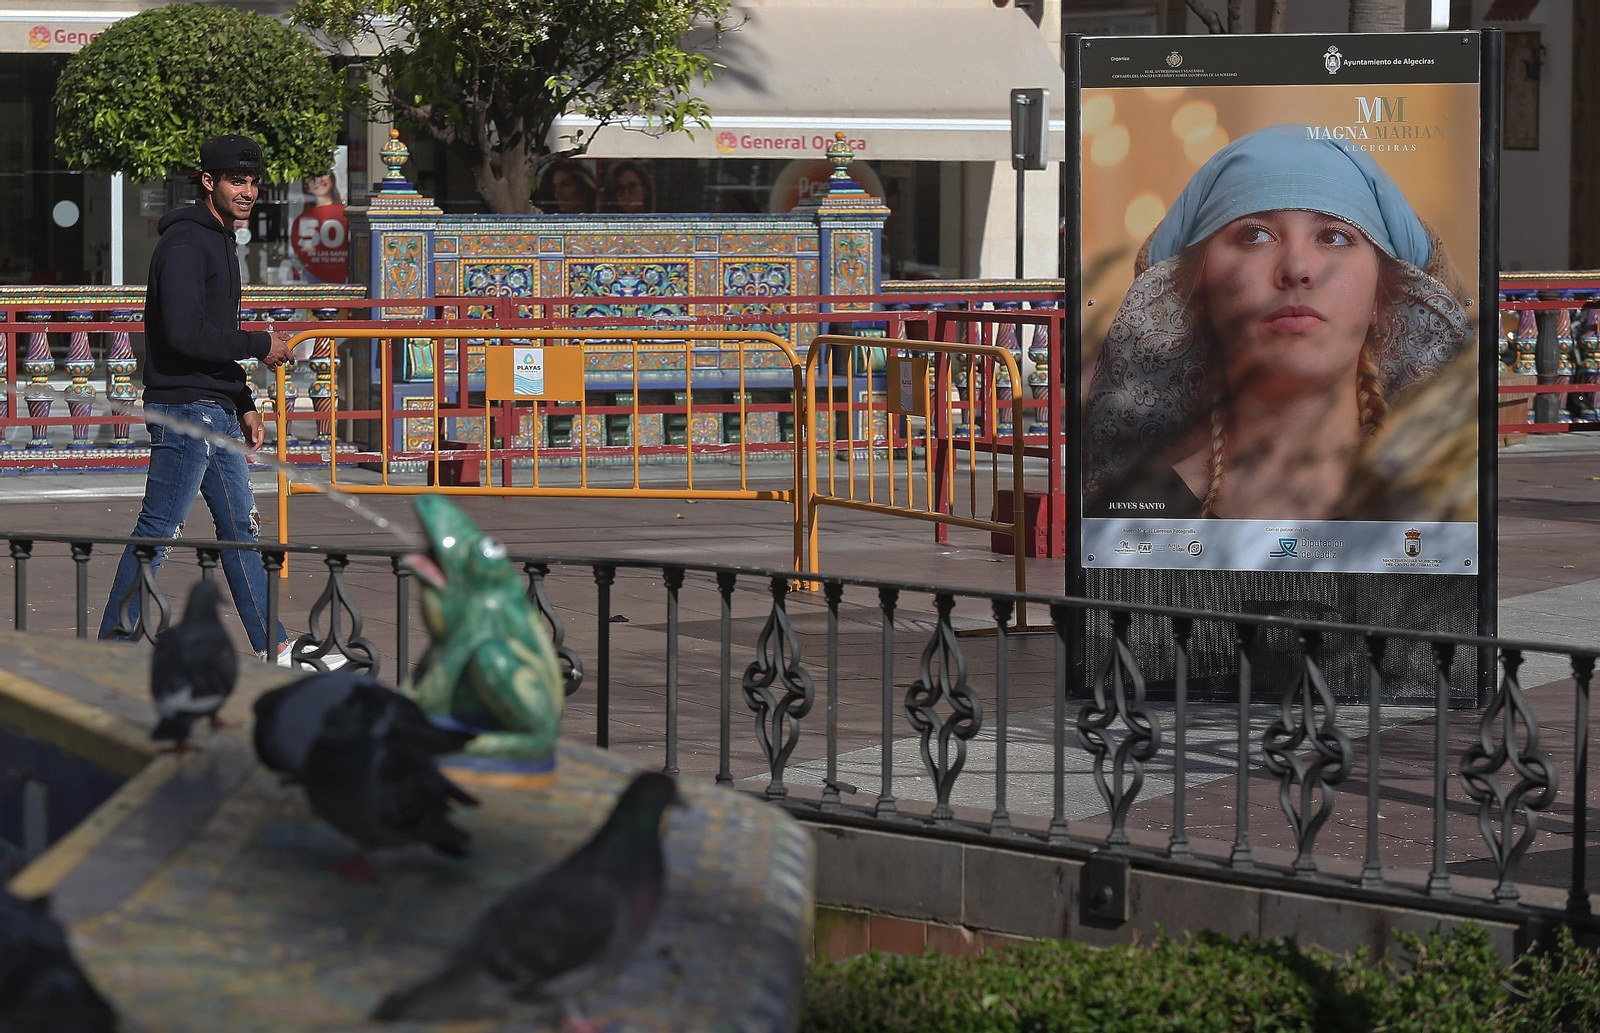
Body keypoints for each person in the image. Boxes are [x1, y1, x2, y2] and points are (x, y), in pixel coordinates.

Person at [1084, 125, 1473, 520]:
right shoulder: (1137, 514)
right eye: (1255, 235)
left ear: (1380, 300)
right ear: (1199, 295)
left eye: (1334, 237)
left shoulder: (1439, 514)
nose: (1297, 268)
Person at [97, 134, 310, 667]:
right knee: (159, 530)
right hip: (184, 411)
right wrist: (261, 346)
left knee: (240, 531)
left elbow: (215, 333)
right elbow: (186, 334)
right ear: (209, 182)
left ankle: (274, 645)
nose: (249, 191)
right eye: (237, 180)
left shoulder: (219, 240)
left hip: (212, 407)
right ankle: (112, 651)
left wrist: (242, 400)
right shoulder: (187, 245)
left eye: (254, 181)